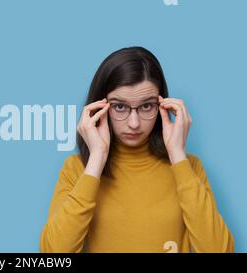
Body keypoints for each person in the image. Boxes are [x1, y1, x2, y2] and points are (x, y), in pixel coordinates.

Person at [39, 46, 234, 253]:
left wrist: (177, 154)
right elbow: (53, 254)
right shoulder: (77, 169)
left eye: (146, 106)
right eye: (120, 107)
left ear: (162, 106)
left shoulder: (188, 167)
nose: (134, 123)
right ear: (99, 107)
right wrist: (97, 158)